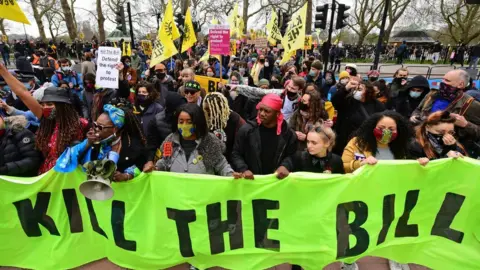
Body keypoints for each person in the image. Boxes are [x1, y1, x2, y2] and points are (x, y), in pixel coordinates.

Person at [55, 103, 147, 182]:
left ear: (115, 129)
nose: (95, 130)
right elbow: (71, 158)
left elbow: (140, 165)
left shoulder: (133, 146)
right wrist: (88, 143)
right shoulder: (93, 142)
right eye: (95, 125)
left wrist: (126, 176)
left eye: (100, 127)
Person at [410, 70, 480, 157]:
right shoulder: (432, 94)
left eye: (447, 80)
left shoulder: (471, 104)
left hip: (447, 149)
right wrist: (414, 115)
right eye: (443, 79)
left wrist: (466, 124)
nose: (442, 82)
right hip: (421, 142)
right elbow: (418, 109)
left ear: (460, 84)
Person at [231, 94, 297, 179]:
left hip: (276, 182)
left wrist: (285, 166)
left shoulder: (288, 134)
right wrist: (243, 169)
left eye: (267, 111)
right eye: (260, 109)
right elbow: (236, 153)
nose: (261, 114)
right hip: (251, 181)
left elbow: (292, 155)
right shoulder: (246, 130)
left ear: (277, 113)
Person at [155, 103, 233, 176]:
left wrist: (232, 175)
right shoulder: (170, 141)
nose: (184, 125)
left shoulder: (210, 142)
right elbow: (165, 161)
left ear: (198, 123)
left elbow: (222, 166)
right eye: (181, 122)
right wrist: (156, 168)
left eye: (189, 122)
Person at [332, 80, 386, 155]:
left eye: (360, 89)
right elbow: (335, 101)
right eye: (355, 89)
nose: (356, 92)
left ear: (368, 91)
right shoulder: (347, 101)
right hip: (344, 142)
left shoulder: (377, 105)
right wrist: (345, 88)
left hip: (365, 143)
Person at [144, 92, 186, 172]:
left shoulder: (187, 118)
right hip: (165, 159)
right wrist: (150, 161)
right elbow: (151, 145)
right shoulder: (156, 121)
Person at [203, 92, 245, 163]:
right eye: (206, 109)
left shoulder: (235, 119)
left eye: (212, 109)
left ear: (220, 107)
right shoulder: (204, 118)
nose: (208, 112)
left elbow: (241, 146)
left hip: (229, 162)